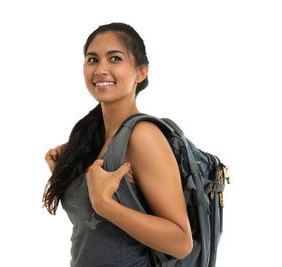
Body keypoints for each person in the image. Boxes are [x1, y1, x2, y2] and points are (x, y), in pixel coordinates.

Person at [43, 22, 193, 267]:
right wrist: (66, 175)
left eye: (114, 58)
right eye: (93, 60)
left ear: (141, 71)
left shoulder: (142, 136)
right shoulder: (92, 139)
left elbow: (181, 242)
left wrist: (106, 205)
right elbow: (96, 233)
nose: (101, 69)